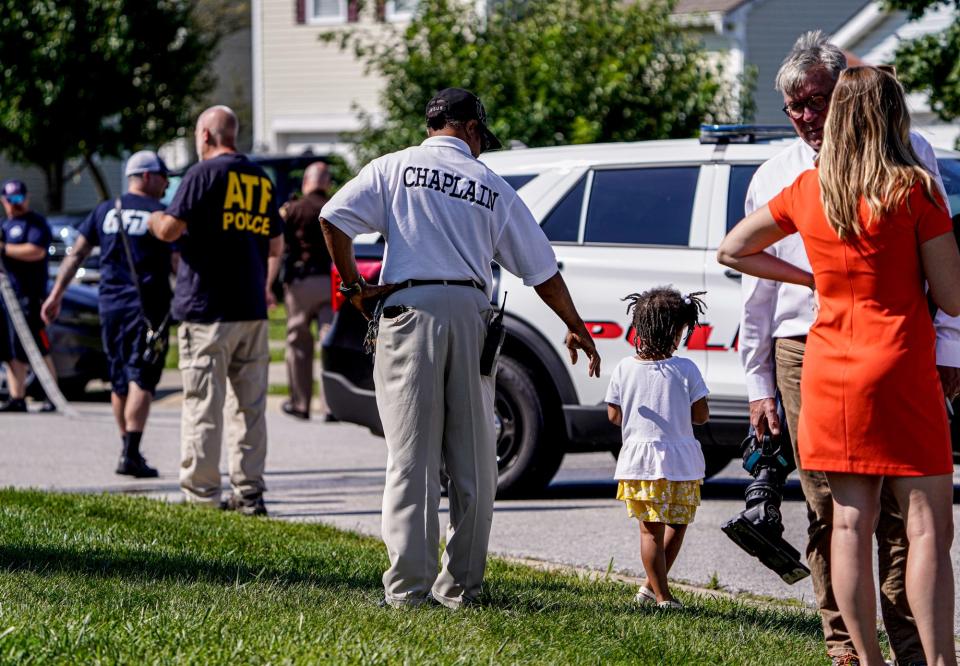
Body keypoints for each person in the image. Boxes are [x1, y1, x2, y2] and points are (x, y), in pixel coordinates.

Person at [320, 87, 601, 609]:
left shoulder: (392, 168)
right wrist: (576, 325)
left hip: (408, 311)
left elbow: (332, 217)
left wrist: (354, 288)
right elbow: (542, 268)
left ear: (431, 125)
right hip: (472, 313)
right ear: (472, 128)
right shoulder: (490, 184)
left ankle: (408, 590)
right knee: (474, 460)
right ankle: (462, 586)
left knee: (411, 459)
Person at [719, 66, 960, 666]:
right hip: (901, 365)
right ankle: (939, 661)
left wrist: (809, 276)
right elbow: (953, 298)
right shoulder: (915, 189)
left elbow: (732, 249)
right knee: (928, 528)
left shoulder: (808, 190)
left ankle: (864, 659)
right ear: (891, 116)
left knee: (847, 525)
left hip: (828, 366)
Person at [147, 105, 284, 517]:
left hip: (207, 309)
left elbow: (170, 229)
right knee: (250, 407)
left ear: (205, 135)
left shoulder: (202, 174)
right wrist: (264, 283)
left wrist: (154, 219)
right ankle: (249, 493)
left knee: (203, 404)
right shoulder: (260, 178)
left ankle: (201, 497)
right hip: (251, 309)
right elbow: (276, 246)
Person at [42, 150, 176, 477]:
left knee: (118, 379)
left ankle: (126, 447)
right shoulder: (160, 214)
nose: (166, 183)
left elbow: (75, 255)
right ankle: (131, 452)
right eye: (162, 176)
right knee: (142, 377)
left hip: (110, 305)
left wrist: (55, 294)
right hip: (148, 308)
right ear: (146, 176)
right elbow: (178, 262)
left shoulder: (106, 210)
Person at [605, 287, 709, 609]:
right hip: (680, 463)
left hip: (640, 461)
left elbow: (613, 414)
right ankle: (663, 597)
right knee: (677, 525)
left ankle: (651, 588)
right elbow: (701, 415)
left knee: (650, 530)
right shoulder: (687, 369)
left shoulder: (624, 368)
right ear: (676, 332)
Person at [279, 161, 334, 421]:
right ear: (327, 183)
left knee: (299, 344)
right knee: (328, 343)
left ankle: (300, 404)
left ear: (306, 182)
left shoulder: (293, 209)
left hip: (301, 282)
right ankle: (331, 406)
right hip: (330, 282)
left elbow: (279, 244)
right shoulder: (335, 207)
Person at [0, 180, 56, 413]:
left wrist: (3, 249)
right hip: (8, 298)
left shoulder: (35, 223)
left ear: (26, 197)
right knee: (11, 350)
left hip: (30, 297)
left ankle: (53, 395)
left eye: (18, 198)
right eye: (10, 200)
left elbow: (36, 251)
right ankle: (17, 397)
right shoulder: (4, 225)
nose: (15, 204)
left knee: (37, 347)